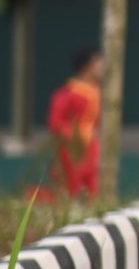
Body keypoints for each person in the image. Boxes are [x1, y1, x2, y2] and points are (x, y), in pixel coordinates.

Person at [46, 47, 103, 201]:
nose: (102, 67)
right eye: (98, 63)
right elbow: (56, 123)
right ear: (86, 67)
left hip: (91, 147)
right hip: (73, 148)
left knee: (92, 188)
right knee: (73, 188)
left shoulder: (97, 92)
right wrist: (76, 136)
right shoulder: (68, 94)